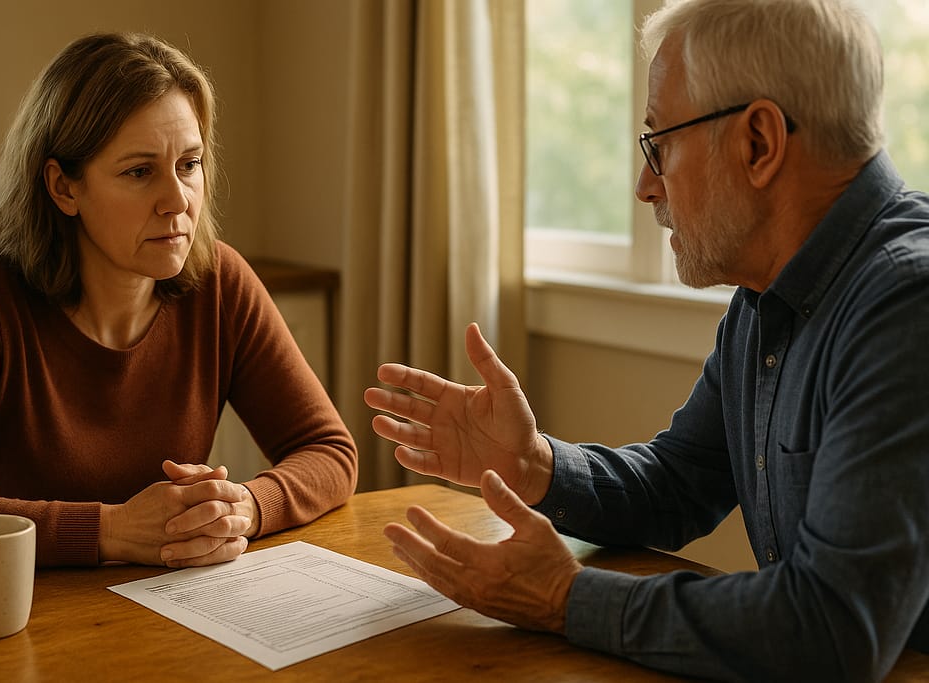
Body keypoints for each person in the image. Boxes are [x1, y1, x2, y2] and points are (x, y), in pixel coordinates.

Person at [364, 0, 929, 681]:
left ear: (758, 143)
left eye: (659, 143)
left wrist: (562, 597)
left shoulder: (907, 305)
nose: (643, 185)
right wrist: (534, 463)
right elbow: (679, 482)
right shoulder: (765, 296)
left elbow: (832, 628)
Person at [0, 32, 357, 569]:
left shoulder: (220, 281)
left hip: (165, 610)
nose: (177, 201)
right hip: (16, 618)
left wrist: (244, 508)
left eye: (189, 164)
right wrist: (111, 530)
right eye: (139, 172)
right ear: (63, 188)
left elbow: (330, 451)